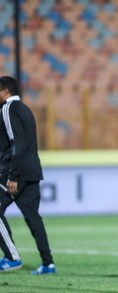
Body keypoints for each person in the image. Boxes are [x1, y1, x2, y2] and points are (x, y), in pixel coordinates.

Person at [0, 76, 55, 274]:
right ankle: (48, 263)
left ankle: (11, 258)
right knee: (33, 218)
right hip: (32, 171)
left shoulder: (8, 109)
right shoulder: (25, 109)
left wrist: (13, 176)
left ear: (5, 91)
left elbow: (16, 143)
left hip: (15, 174)